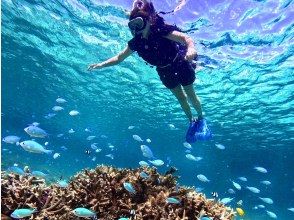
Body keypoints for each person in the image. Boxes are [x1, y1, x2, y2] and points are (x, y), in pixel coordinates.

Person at [88, 0, 204, 123]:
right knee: (180, 98)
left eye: (139, 23)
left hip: (180, 63)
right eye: (133, 25)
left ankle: (201, 118)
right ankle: (191, 121)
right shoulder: (137, 43)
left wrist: (191, 49)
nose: (136, 28)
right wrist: (101, 65)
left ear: (149, 21)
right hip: (164, 71)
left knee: (190, 94)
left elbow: (185, 38)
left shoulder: (160, 30)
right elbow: (119, 58)